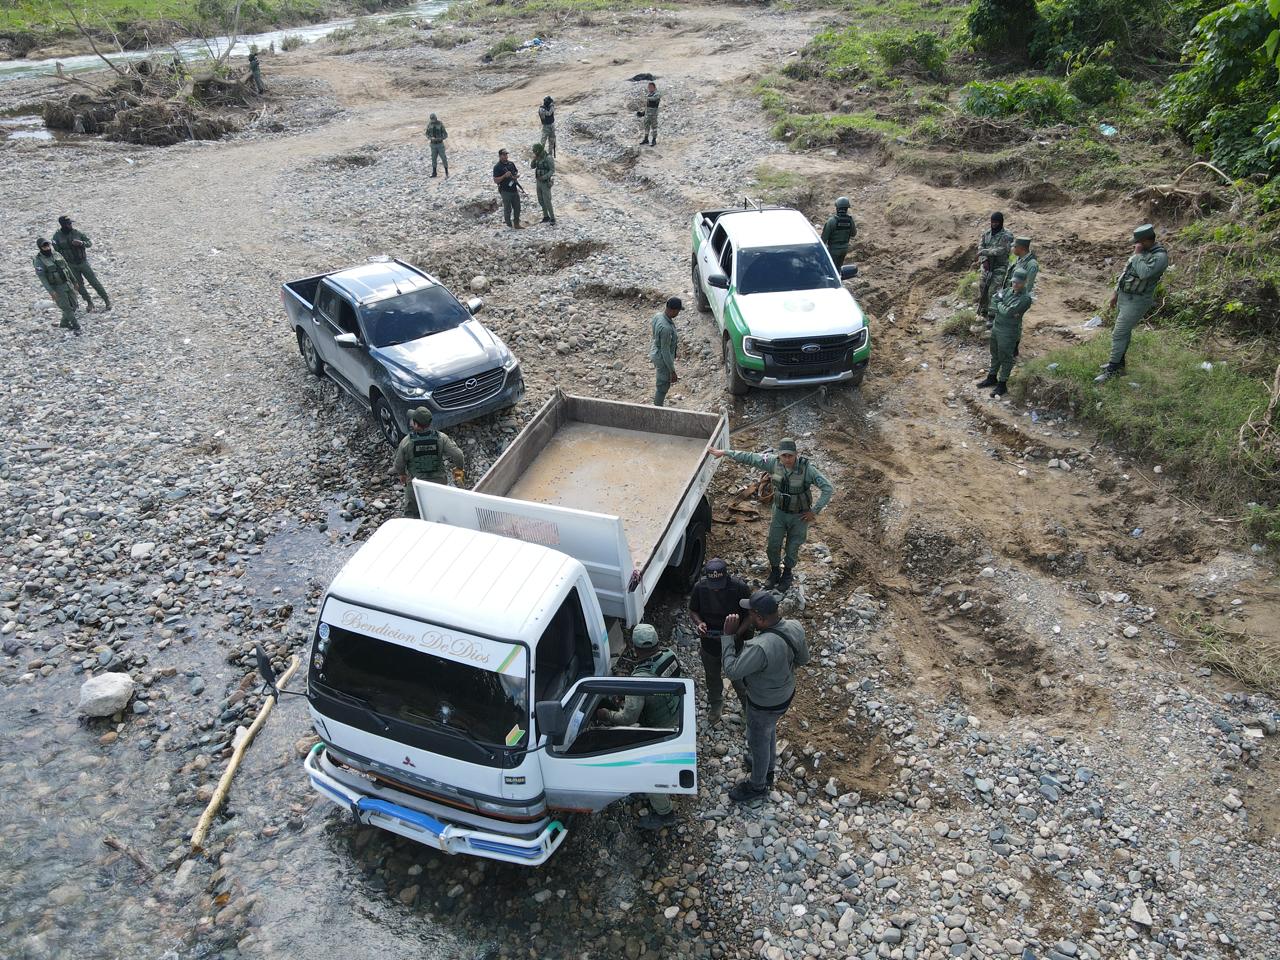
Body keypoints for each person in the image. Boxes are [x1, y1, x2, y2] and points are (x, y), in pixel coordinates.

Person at [708, 439, 834, 592]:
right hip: (780, 513)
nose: (787, 459)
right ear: (779, 455)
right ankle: (775, 571)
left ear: (796, 455)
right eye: (784, 456)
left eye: (790, 456)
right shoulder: (773, 463)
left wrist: (814, 511)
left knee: (793, 546)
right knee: (773, 545)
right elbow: (750, 457)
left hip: (799, 516)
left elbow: (827, 488)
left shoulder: (807, 469)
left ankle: (787, 573)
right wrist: (726, 452)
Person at [720, 591, 809, 803]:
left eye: (750, 614)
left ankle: (758, 784)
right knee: (768, 730)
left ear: (760, 617)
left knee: (758, 741)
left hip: (764, 703)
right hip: (785, 695)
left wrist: (727, 636)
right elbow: (803, 659)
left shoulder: (760, 646)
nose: (748, 618)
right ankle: (768, 767)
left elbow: (732, 671)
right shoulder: (795, 626)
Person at [595, 623, 682, 830]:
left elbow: (627, 718)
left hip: (658, 729)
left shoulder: (641, 679)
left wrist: (606, 714)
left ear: (635, 648)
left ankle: (665, 813)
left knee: (649, 771)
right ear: (657, 642)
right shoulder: (670, 655)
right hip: (677, 715)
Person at [1096, 224, 1169, 383]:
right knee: (1124, 332)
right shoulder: (1142, 252)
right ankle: (1119, 364)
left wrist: (1136, 255)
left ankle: (1112, 370)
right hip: (1124, 296)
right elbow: (1126, 271)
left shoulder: (1160, 257)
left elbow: (1144, 274)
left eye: (1138, 242)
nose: (1136, 245)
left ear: (1145, 241)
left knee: (1119, 333)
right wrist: (1115, 292)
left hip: (1137, 300)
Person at [689, 558, 752, 725]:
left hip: (734, 642)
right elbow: (693, 610)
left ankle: (748, 708)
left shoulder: (739, 588)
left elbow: (750, 616)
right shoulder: (700, 588)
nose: (716, 590)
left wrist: (736, 633)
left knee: (739, 677)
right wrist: (699, 623)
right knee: (712, 676)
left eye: (720, 585)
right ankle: (716, 705)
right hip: (709, 642)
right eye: (713, 586)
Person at [393, 407, 465, 519]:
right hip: (438, 483)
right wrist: (459, 469)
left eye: (413, 420)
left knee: (411, 513)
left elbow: (398, 464)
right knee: (440, 511)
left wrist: (402, 474)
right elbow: (458, 455)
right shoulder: (441, 438)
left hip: (416, 485)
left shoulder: (406, 442)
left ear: (416, 424)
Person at [976, 268, 1032, 398]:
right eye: (1013, 282)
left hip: (1008, 332)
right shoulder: (1008, 290)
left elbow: (1009, 312)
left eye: (1018, 283)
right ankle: (992, 377)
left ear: (1024, 282)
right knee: (994, 353)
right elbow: (994, 300)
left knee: (1006, 357)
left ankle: (1002, 384)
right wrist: (1002, 306)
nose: (1015, 284)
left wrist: (1001, 305)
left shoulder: (1025, 299)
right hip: (997, 327)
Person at [52, 215, 110, 312]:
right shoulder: (56, 237)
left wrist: (81, 243)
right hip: (70, 265)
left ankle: (106, 300)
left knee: (94, 282)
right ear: (63, 225)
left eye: (71, 223)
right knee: (78, 285)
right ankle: (89, 302)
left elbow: (89, 243)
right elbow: (56, 252)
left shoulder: (77, 233)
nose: (71, 225)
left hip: (83, 262)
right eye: (69, 224)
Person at [33, 238, 81, 335]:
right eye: (44, 246)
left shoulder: (57, 254)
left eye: (48, 245)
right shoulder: (39, 261)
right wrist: (51, 292)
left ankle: (64, 323)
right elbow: (43, 279)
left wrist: (74, 281)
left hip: (67, 283)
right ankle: (76, 326)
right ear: (40, 248)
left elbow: (66, 268)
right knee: (66, 308)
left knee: (74, 305)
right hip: (57, 287)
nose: (47, 247)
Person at [976, 212, 1013, 318]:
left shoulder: (1007, 235)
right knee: (983, 287)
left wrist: (985, 252)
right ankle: (983, 310)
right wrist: (984, 260)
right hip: (987, 266)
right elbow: (980, 247)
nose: (994, 224)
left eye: (996, 222)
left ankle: (992, 315)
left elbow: (1003, 250)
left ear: (1001, 222)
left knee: (994, 290)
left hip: (1000, 266)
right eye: (992, 222)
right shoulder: (986, 234)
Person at [649, 296, 681, 406]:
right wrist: (672, 371)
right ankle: (657, 409)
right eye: (678, 311)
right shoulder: (666, 328)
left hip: (655, 351)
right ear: (673, 310)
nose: (678, 314)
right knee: (662, 386)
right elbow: (665, 351)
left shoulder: (658, 316)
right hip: (662, 359)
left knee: (661, 382)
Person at [820, 197, 856, 268]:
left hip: (833, 249)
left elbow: (824, 239)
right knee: (839, 267)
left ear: (837, 208)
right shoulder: (850, 220)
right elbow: (853, 234)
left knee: (831, 268)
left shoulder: (831, 221)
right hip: (844, 249)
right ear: (847, 208)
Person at [493, 148, 522, 229]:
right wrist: (504, 176)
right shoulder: (497, 167)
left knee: (517, 207)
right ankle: (509, 225)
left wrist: (515, 176)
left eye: (506, 154)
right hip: (505, 190)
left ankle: (516, 223)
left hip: (514, 189)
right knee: (507, 208)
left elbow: (515, 172)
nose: (505, 156)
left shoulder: (511, 164)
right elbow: (495, 180)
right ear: (500, 156)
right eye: (504, 155)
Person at [531, 142, 555, 225]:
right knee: (541, 200)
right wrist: (534, 159)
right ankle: (546, 216)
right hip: (538, 182)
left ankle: (552, 218)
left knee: (547, 200)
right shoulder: (538, 158)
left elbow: (552, 170)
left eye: (535, 151)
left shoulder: (548, 158)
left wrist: (544, 177)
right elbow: (532, 166)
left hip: (545, 182)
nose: (534, 153)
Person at [424, 113, 449, 178]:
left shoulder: (440, 124)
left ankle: (446, 172)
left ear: (436, 118)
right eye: (432, 120)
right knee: (433, 159)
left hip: (440, 144)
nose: (433, 121)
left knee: (443, 158)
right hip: (433, 145)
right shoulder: (429, 124)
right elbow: (427, 134)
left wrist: (440, 138)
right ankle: (434, 173)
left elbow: (446, 135)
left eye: (434, 119)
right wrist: (430, 138)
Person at [638, 81, 660, 146]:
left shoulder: (657, 94)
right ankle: (646, 139)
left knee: (654, 127)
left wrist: (647, 98)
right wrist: (643, 113)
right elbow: (647, 106)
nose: (649, 88)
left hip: (653, 114)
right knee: (646, 127)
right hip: (647, 114)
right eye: (649, 87)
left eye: (651, 87)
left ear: (654, 87)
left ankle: (654, 140)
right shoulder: (649, 94)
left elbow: (654, 99)